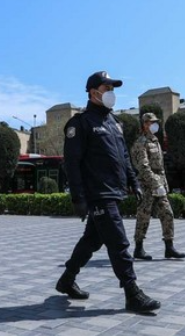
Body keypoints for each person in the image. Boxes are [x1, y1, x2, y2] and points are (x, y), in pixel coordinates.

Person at [56, 71, 161, 314]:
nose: (111, 94)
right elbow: (71, 163)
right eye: (107, 89)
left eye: (113, 89)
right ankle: (132, 292)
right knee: (118, 241)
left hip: (113, 191)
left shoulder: (114, 123)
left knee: (92, 240)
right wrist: (78, 197)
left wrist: (133, 182)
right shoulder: (80, 124)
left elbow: (123, 157)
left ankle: (67, 279)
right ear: (93, 93)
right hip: (98, 193)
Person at [130, 113, 185, 260]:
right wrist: (155, 184)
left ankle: (169, 247)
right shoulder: (140, 143)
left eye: (156, 122)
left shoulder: (156, 141)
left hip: (159, 185)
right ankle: (138, 248)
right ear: (145, 124)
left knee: (167, 213)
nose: (156, 125)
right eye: (153, 122)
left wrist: (163, 185)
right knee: (144, 217)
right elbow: (143, 166)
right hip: (146, 185)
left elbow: (160, 168)